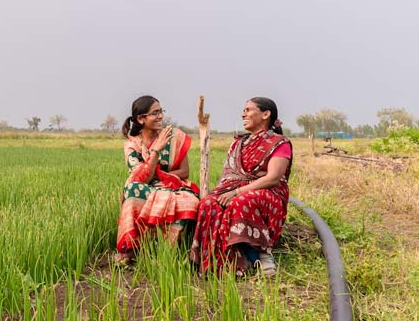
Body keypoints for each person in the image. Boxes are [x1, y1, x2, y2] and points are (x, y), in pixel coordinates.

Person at [189, 97, 292, 277]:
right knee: (209, 203)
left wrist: (237, 191)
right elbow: (231, 175)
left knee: (241, 200)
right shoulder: (239, 143)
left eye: (248, 110)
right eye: (243, 110)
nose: (243, 114)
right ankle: (224, 259)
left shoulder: (279, 143)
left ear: (266, 114)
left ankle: (262, 254)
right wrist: (229, 191)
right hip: (241, 188)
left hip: (268, 192)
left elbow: (273, 177)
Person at [116, 96, 200, 265]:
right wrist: (156, 150)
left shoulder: (175, 136)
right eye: (155, 113)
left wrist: (161, 178)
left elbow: (184, 172)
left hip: (175, 185)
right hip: (146, 187)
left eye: (161, 111)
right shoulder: (132, 145)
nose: (160, 116)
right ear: (141, 119)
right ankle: (132, 249)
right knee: (133, 190)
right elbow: (142, 178)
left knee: (189, 201)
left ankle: (168, 252)